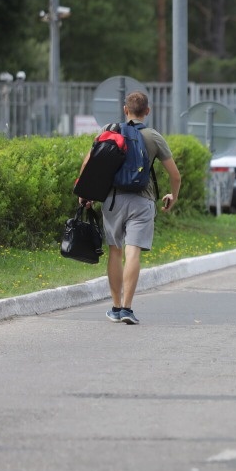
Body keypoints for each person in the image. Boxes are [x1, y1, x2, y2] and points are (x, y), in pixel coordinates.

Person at [77, 92, 181, 325]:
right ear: (148, 111)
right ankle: (127, 308)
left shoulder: (110, 130)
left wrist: (86, 193)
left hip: (113, 201)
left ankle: (115, 307)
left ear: (125, 110)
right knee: (133, 253)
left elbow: (88, 163)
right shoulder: (154, 137)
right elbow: (175, 175)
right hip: (142, 202)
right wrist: (173, 196)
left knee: (115, 251)